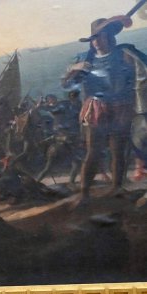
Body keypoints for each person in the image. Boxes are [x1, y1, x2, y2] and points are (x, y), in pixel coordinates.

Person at [62, 15, 147, 203]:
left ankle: (116, 187)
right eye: (93, 38)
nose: (96, 42)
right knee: (94, 151)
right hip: (97, 110)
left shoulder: (124, 53)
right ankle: (84, 193)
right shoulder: (84, 59)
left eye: (100, 36)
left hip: (122, 108)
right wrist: (74, 69)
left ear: (109, 36)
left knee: (118, 150)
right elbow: (67, 86)